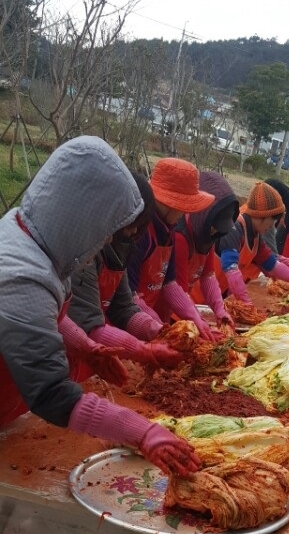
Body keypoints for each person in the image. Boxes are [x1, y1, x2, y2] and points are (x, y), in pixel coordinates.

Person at [0, 136, 201, 478]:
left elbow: (43, 315)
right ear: (81, 213)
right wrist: (143, 431)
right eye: (108, 228)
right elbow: (51, 394)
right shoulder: (21, 273)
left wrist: (85, 346)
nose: (109, 240)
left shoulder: (34, 237)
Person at [66, 172, 183, 377]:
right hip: (55, 354)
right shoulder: (82, 252)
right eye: (132, 223)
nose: (134, 231)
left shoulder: (122, 246)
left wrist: (158, 332)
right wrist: (144, 351)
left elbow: (123, 307)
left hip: (91, 352)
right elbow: (88, 324)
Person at [126, 158, 217, 341]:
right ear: (169, 204)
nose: (185, 213)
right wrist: (163, 331)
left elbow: (169, 282)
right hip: (129, 323)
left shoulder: (169, 228)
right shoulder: (139, 232)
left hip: (149, 321)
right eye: (183, 207)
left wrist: (195, 318)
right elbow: (129, 297)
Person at [215, 182, 289, 305]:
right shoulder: (235, 228)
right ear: (262, 215)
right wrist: (245, 302)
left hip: (221, 293)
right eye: (272, 220)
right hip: (202, 298)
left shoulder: (256, 235)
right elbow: (231, 270)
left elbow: (273, 266)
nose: (272, 226)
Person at [173, 171, 239, 330]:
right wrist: (198, 321)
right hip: (170, 314)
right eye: (215, 226)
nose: (216, 232)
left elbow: (208, 275)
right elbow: (178, 291)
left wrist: (219, 309)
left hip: (188, 314)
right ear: (203, 216)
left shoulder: (208, 236)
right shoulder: (180, 237)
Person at [263, 177, 289, 253]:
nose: (283, 217)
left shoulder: (268, 222)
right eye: (282, 212)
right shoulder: (264, 224)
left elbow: (269, 254)